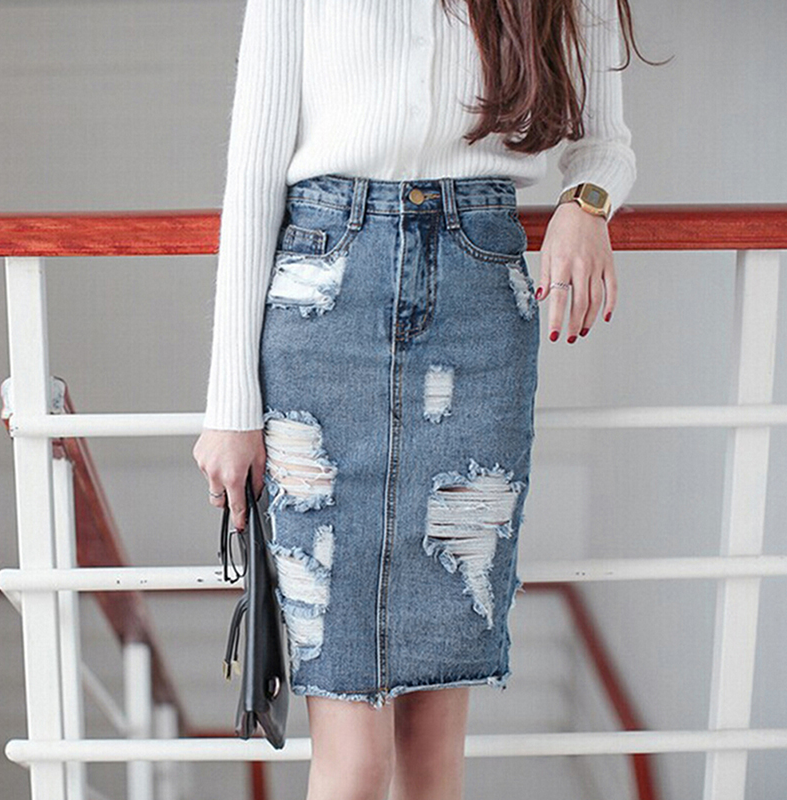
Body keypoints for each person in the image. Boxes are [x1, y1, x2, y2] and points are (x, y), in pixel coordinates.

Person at [193, 1, 645, 797]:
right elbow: (254, 169)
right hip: (325, 297)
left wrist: (586, 204)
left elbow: (604, 141)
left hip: (478, 299)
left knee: (432, 754)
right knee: (354, 762)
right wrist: (229, 408)